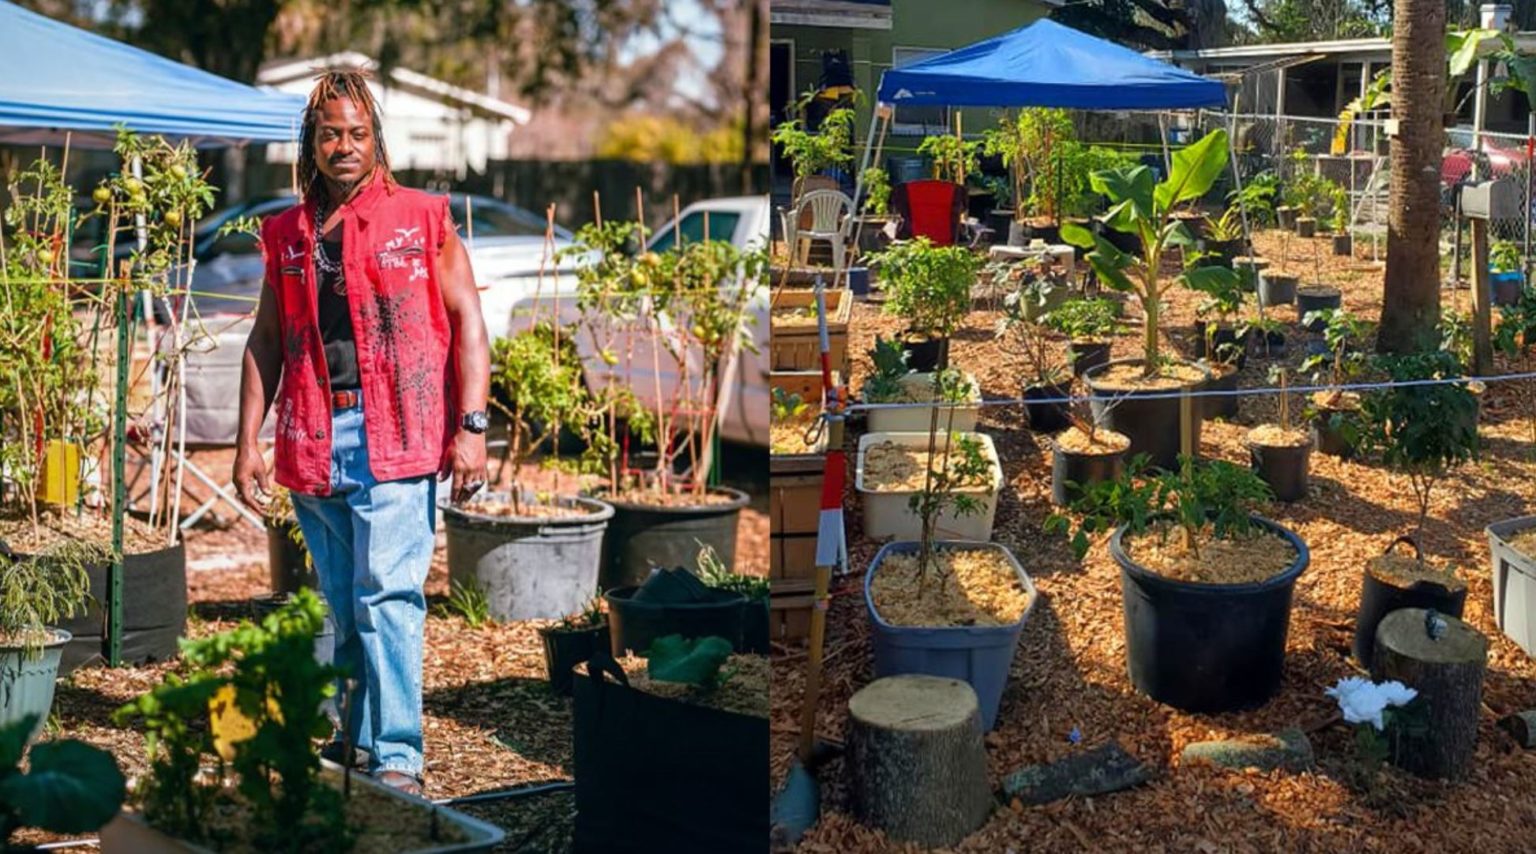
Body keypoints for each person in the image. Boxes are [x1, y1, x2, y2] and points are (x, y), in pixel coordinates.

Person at [233, 69, 491, 796]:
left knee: (389, 597)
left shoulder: (422, 218)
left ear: (375, 139)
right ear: (310, 144)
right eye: (329, 134)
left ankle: (399, 755)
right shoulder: (286, 233)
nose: (343, 146)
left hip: (400, 433)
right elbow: (266, 336)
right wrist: (248, 440)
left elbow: (470, 323)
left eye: (356, 133)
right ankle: (356, 737)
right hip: (316, 436)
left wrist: (472, 427)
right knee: (343, 602)